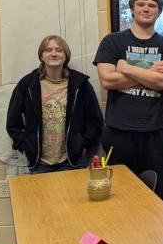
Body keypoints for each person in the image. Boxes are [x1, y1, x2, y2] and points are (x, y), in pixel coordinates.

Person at [93, 0, 163, 200]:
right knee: (120, 194)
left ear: (159, 12)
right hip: (120, 132)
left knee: (159, 195)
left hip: (159, 132)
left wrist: (126, 68)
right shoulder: (112, 42)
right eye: (141, 4)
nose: (146, 8)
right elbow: (107, 80)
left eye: (152, 5)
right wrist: (150, 73)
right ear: (132, 9)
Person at [6, 35, 103, 173]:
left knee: (74, 195)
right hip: (40, 162)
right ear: (41, 56)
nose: (54, 53)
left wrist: (81, 143)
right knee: (42, 195)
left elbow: (95, 121)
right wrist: (27, 145)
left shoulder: (80, 85)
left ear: (66, 56)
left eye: (59, 50)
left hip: (72, 161)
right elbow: (12, 122)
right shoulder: (27, 85)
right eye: (48, 50)